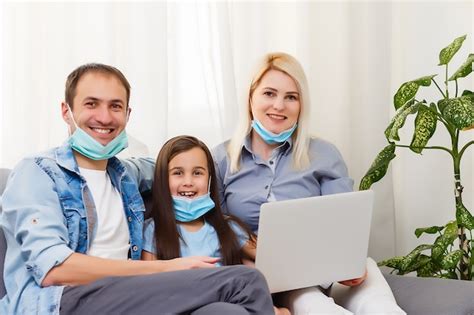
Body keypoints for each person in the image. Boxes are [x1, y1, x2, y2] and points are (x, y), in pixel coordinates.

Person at [0, 63, 275, 315]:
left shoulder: (126, 174)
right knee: (245, 282)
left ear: (127, 115)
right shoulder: (37, 172)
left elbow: (177, 163)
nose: (105, 117)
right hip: (60, 302)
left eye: (116, 106)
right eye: (92, 104)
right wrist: (166, 269)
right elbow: (54, 269)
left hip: (129, 299)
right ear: (66, 111)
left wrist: (244, 160)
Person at [213, 53, 406, 314]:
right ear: (251, 97)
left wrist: (350, 262)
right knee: (313, 304)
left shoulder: (324, 154)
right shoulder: (221, 158)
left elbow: (344, 221)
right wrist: (258, 255)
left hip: (330, 268)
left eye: (291, 97)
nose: (279, 105)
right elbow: (216, 226)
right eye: (269, 93)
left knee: (381, 307)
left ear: (301, 104)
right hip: (276, 277)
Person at [142, 135, 290, 315]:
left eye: (197, 173)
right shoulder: (152, 230)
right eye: (178, 173)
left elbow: (273, 259)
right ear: (162, 180)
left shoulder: (228, 228)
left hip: (230, 303)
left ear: (210, 179)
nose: (188, 181)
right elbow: (149, 286)